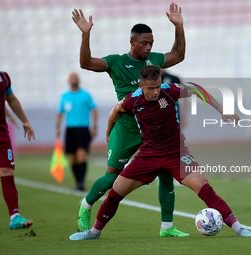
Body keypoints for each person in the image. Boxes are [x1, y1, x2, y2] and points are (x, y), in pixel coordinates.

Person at [69, 66, 251, 240]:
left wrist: (222, 109)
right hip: (148, 155)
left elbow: (197, 89)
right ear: (141, 86)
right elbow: (116, 110)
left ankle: (238, 227)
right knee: (116, 191)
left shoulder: (170, 90)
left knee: (202, 185)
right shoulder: (132, 100)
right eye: (151, 88)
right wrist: (109, 131)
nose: (156, 91)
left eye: (158, 86)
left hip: (176, 152)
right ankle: (94, 232)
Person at [72, 2, 188, 236]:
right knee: (110, 179)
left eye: (151, 44)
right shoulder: (115, 62)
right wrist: (86, 35)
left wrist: (179, 27)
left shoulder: (153, 59)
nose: (148, 48)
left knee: (166, 173)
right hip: (126, 129)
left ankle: (167, 227)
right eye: (144, 43)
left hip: (153, 130)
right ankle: (86, 205)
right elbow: (85, 63)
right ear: (132, 42)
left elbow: (178, 55)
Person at [0, 38, 35, 229]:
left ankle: (15, 217)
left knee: (7, 172)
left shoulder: (3, 77)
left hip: (0, 136)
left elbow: (12, 100)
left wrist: (25, 120)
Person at [56, 72, 98, 191]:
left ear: (78, 80)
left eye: (75, 78)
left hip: (83, 129)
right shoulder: (64, 96)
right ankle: (77, 181)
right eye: (71, 78)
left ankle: (81, 182)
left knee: (82, 155)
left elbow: (94, 109)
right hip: (70, 130)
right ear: (68, 81)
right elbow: (59, 112)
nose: (74, 80)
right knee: (73, 158)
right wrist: (57, 126)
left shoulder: (86, 95)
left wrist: (94, 126)